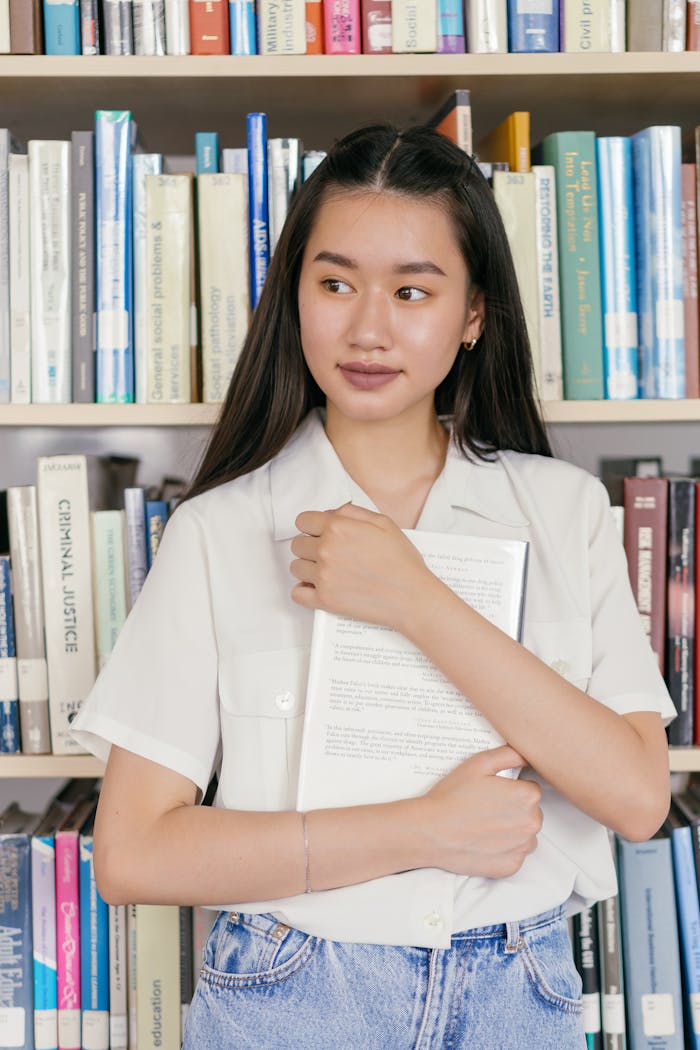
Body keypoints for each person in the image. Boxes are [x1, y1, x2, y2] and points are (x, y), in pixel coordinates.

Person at [71, 123, 675, 1049]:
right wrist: (422, 830)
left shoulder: (565, 511)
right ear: (296, 297)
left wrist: (415, 599)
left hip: (520, 993)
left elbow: (637, 798)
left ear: (474, 314)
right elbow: (134, 853)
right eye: (335, 283)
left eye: (411, 291)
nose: (367, 328)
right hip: (290, 991)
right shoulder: (219, 532)